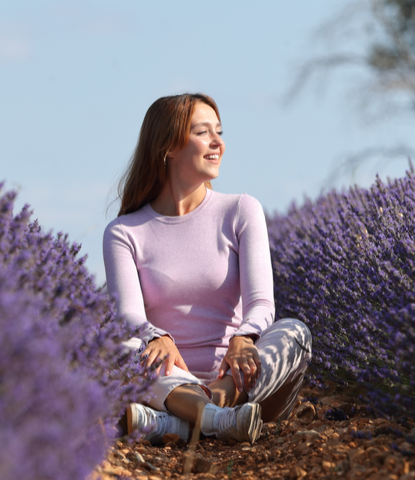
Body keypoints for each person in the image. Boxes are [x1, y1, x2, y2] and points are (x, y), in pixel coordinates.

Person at [104, 93, 311, 445]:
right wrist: (156, 335)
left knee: (295, 333)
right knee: (122, 347)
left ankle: (186, 419)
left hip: (239, 379)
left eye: (219, 131)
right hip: (168, 379)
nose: (219, 143)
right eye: (203, 132)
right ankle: (215, 421)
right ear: (168, 147)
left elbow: (262, 302)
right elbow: (128, 315)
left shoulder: (241, 211)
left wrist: (244, 338)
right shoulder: (124, 233)